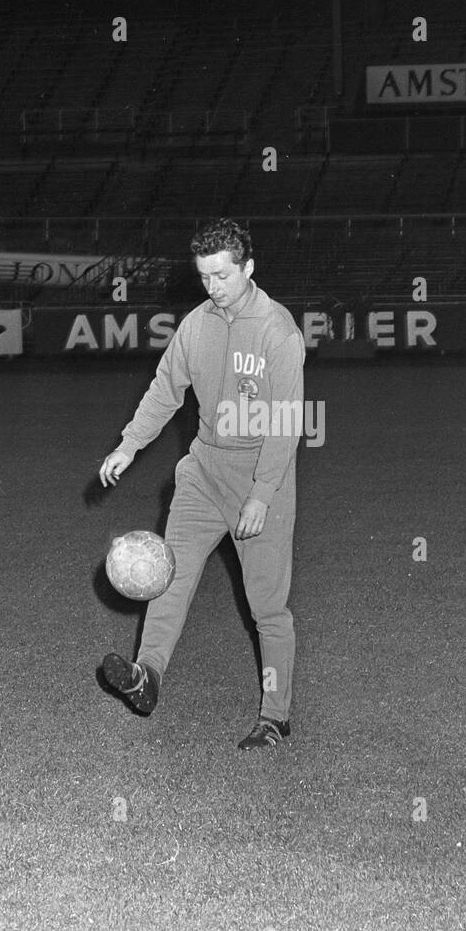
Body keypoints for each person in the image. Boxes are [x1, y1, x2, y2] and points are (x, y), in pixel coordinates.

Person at [98, 219, 305, 751]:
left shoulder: (278, 331)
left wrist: (261, 494)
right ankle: (147, 676)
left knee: (266, 608)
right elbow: (165, 390)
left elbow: (286, 422)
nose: (212, 287)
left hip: (262, 478)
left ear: (248, 268)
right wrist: (128, 444)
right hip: (203, 473)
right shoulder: (196, 325)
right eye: (204, 277)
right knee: (168, 579)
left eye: (222, 276)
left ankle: (274, 717)